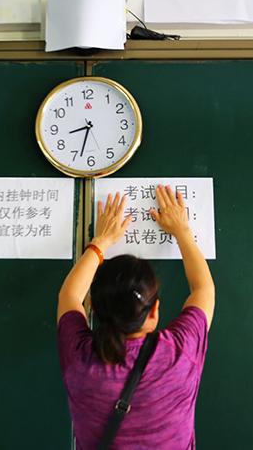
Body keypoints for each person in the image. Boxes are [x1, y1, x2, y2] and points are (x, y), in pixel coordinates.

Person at [57, 184, 215, 449]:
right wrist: (182, 231)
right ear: (153, 312)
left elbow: (70, 296)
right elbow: (203, 289)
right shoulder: (180, 352)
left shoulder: (79, 358)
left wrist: (101, 242)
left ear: (92, 306)